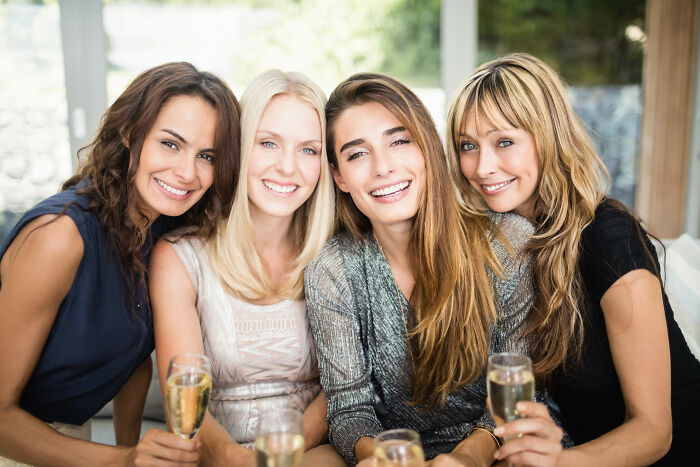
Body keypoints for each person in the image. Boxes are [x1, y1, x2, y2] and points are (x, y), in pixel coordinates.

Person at [447, 52, 700, 466]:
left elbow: (655, 431)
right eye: (468, 146)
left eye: (504, 142)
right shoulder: (498, 244)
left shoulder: (608, 235)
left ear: (547, 138)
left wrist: (557, 463)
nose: (482, 166)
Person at [303, 72, 557, 467]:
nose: (383, 167)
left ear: (427, 149)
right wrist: (388, 458)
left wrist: (467, 458)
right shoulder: (333, 269)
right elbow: (349, 410)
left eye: (399, 141)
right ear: (338, 176)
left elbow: (520, 391)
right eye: (357, 154)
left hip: (498, 448)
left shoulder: (506, 242)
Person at [0, 62, 241, 466]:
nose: (186, 172)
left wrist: (131, 449)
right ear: (129, 132)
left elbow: (131, 359)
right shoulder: (59, 237)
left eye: (207, 155)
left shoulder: (164, 226)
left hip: (73, 434)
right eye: (170, 143)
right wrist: (123, 460)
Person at [150, 69, 344, 466]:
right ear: (237, 148)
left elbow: (343, 391)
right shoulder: (179, 257)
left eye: (308, 150)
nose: (287, 167)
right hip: (217, 456)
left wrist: (273, 455)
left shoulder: (335, 255)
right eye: (268, 143)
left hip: (313, 451)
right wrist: (234, 459)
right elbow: (183, 402)